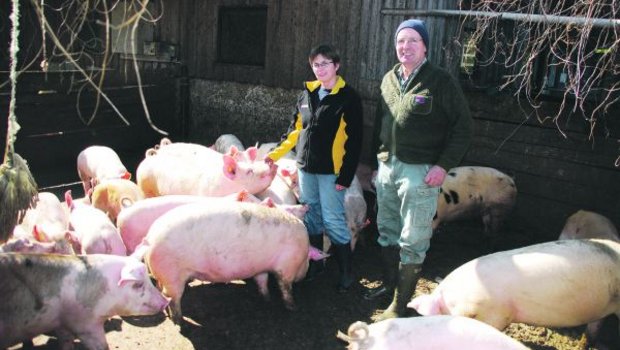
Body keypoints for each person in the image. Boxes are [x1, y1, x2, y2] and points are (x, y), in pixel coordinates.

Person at [364, 19, 473, 320]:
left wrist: (443, 165)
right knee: (386, 230)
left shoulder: (440, 81)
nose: (405, 46)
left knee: (413, 239)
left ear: (424, 46)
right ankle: (389, 286)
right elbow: (381, 127)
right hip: (388, 168)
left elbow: (463, 129)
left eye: (413, 41)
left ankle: (399, 306)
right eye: (401, 41)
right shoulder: (388, 79)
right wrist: (376, 165)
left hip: (420, 171)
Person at [265, 44, 364, 293]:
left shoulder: (348, 97)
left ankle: (346, 273)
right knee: (311, 216)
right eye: (316, 64)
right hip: (306, 168)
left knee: (333, 219)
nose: (320, 69)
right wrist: (273, 155)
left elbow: (355, 141)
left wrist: (346, 175)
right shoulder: (306, 94)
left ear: (336, 66)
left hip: (332, 171)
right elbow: (295, 131)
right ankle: (317, 265)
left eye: (325, 63)